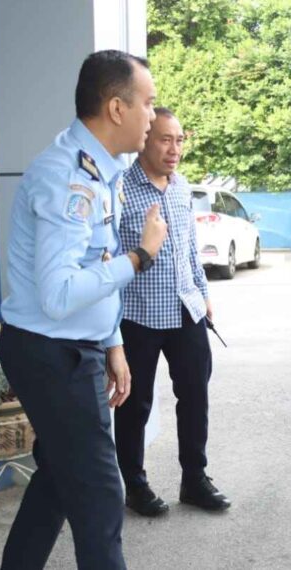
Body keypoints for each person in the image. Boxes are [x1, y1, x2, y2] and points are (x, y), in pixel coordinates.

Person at [0, 49, 164, 570]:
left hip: (72, 347)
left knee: (59, 477)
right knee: (99, 495)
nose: (153, 116)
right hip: (54, 353)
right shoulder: (67, 177)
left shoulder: (99, 170)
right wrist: (141, 257)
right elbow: (60, 293)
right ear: (116, 108)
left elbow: (96, 264)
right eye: (148, 103)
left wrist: (112, 342)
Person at [114, 107, 230, 518]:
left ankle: (194, 480)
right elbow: (109, 258)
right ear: (144, 140)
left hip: (186, 310)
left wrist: (203, 293)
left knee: (195, 397)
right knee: (135, 404)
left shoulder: (181, 188)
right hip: (139, 315)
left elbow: (189, 248)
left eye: (179, 140)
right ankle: (135, 485)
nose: (174, 149)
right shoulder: (121, 190)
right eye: (165, 139)